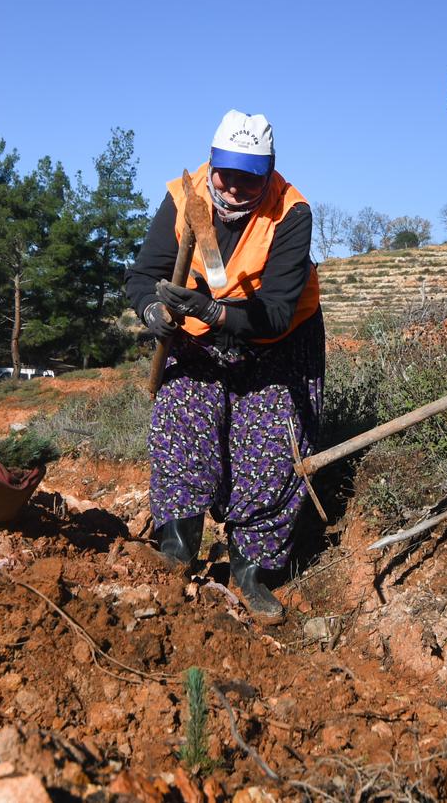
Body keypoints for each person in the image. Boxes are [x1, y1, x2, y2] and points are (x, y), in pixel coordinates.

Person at [124, 110, 324, 623]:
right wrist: (152, 311)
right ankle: (176, 548)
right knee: (183, 420)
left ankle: (251, 570)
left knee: (272, 444)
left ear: (269, 173)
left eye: (248, 178)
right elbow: (143, 275)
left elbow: (277, 311)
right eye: (224, 175)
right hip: (198, 336)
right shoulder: (182, 198)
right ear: (210, 164)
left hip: (275, 339)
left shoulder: (292, 213)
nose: (233, 189)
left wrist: (213, 311)